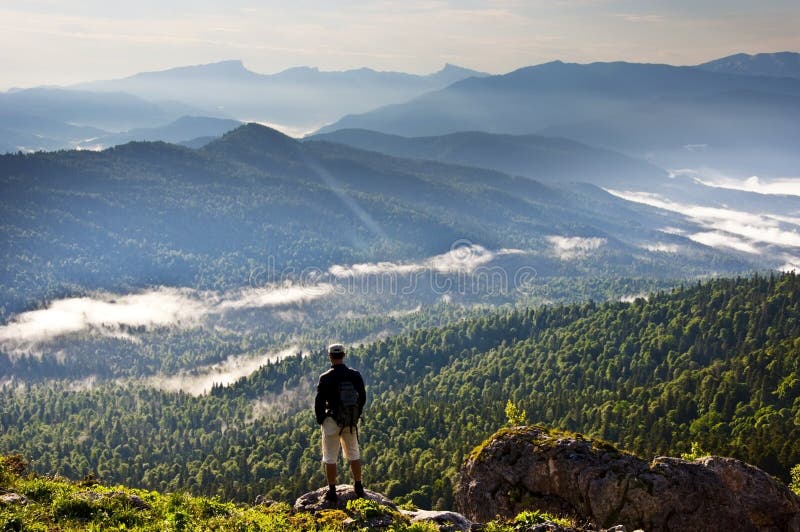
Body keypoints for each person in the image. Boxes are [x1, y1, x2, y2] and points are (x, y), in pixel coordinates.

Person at [314, 343, 367, 502]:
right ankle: (358, 486)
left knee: (330, 456)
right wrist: (355, 415)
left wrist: (322, 419)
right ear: (344, 355)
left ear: (330, 356)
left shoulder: (325, 377)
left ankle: (332, 491)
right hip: (350, 421)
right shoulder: (355, 375)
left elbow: (319, 402)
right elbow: (362, 397)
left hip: (331, 420)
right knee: (354, 454)